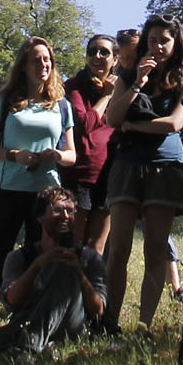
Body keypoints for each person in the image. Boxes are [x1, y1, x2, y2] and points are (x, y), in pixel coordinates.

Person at [0, 38, 77, 330]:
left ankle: (35, 327)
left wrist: (56, 155)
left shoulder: (62, 105)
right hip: (10, 191)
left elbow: (71, 155)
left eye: (47, 60)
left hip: (46, 195)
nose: (43, 65)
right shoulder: (5, 101)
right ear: (23, 66)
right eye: (36, 60)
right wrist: (15, 156)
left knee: (44, 261)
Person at [102, 14, 183, 332]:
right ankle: (109, 320)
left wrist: (135, 126)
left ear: (176, 42)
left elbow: (175, 123)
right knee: (119, 247)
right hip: (128, 164)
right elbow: (112, 118)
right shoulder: (128, 74)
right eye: (152, 40)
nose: (158, 46)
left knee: (155, 247)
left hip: (165, 167)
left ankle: (144, 325)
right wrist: (137, 83)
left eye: (164, 40)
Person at [0, 186, 108, 356]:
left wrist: (78, 272)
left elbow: (97, 311)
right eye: (57, 210)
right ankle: (28, 343)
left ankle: (28, 348)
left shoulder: (88, 257)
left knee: (64, 270)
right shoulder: (21, 257)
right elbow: (11, 301)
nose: (65, 216)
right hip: (25, 323)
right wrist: (38, 265)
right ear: (40, 217)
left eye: (70, 211)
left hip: (70, 326)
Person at [63, 34, 118, 254]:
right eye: (92, 51)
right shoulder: (74, 86)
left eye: (104, 52)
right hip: (79, 176)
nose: (97, 56)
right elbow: (84, 123)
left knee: (96, 250)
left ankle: (93, 290)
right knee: (74, 247)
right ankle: (69, 289)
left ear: (115, 60)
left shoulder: (123, 86)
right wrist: (106, 97)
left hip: (108, 176)